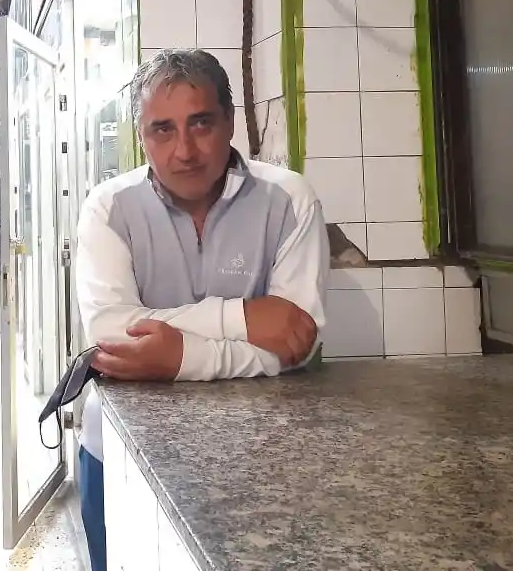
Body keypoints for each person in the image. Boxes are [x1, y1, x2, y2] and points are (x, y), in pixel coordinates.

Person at [74, 49, 329, 571]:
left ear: (230, 122)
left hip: (262, 455)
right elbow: (107, 331)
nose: (184, 150)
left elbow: (298, 344)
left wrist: (176, 357)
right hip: (118, 454)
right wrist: (242, 318)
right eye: (162, 130)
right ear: (140, 136)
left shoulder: (288, 200)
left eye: (201, 123)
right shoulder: (109, 207)